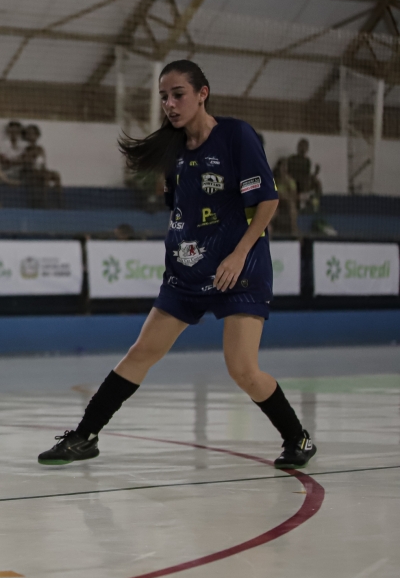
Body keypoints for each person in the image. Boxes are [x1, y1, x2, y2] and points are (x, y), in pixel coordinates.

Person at [37, 59, 316, 470]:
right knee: (141, 352)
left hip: (238, 269)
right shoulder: (173, 152)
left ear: (203, 94)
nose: (169, 103)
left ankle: (298, 438)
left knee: (242, 369)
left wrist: (239, 254)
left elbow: (268, 201)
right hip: (186, 271)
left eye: (178, 94)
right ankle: (84, 437)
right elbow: (182, 211)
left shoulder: (236, 135)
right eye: (164, 97)